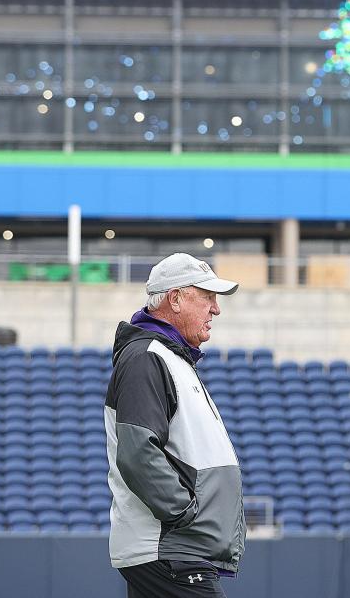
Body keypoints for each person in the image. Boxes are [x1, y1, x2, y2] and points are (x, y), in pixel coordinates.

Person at [105, 252, 245, 598]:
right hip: (172, 550)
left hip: (173, 551)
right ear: (176, 299)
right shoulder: (148, 357)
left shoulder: (167, 357)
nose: (216, 309)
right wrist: (184, 513)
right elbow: (137, 452)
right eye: (208, 297)